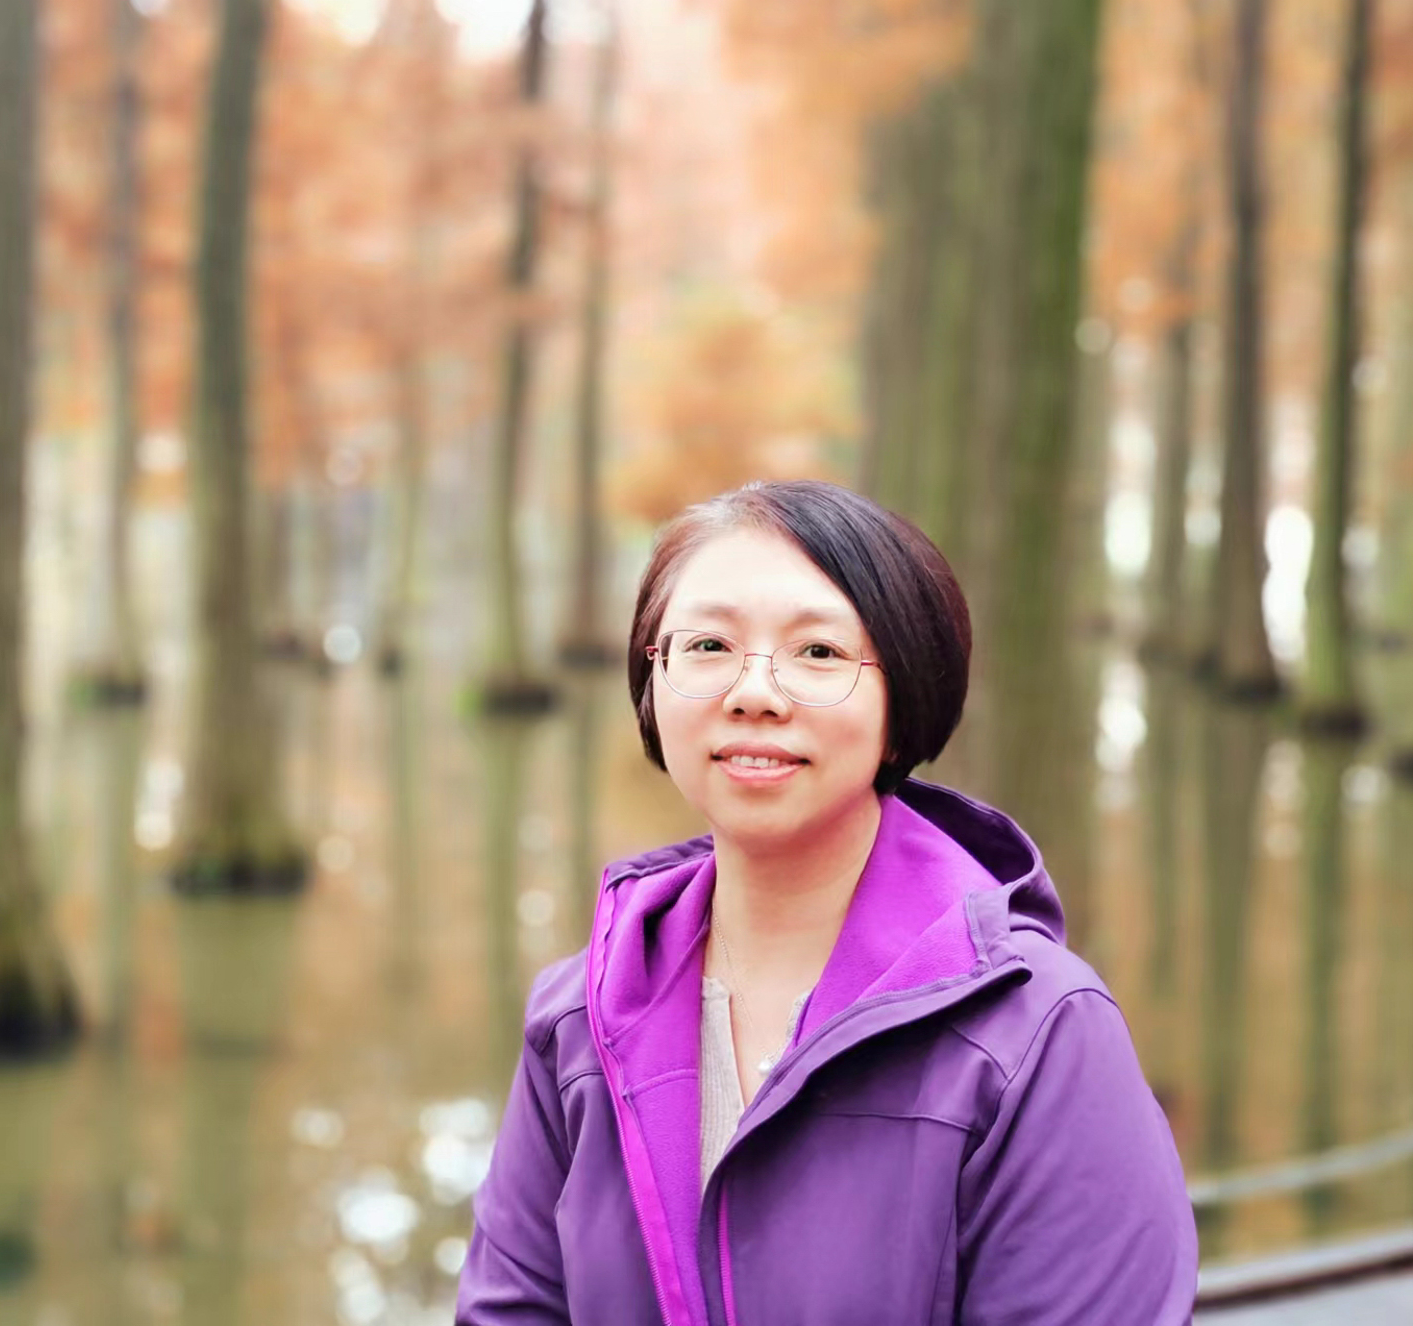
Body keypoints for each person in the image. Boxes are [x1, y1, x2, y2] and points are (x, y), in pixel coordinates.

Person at [455, 480, 1198, 1325]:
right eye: (707, 645)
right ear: (651, 684)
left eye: (817, 652)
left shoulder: (1037, 1035)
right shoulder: (581, 1018)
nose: (755, 693)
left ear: (902, 704)